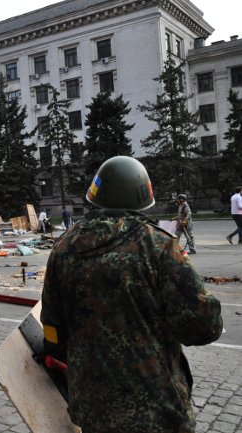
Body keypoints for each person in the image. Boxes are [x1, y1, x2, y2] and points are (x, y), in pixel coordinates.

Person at [40, 156, 222, 433]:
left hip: (92, 407)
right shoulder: (159, 246)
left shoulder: (63, 248)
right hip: (156, 410)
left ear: (95, 195)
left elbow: (52, 328)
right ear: (142, 198)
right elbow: (202, 328)